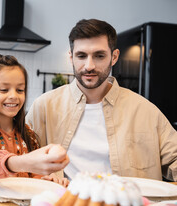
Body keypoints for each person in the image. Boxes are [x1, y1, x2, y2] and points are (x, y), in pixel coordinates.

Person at [26, 19, 177, 181]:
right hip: (62, 203)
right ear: (71, 57)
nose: (89, 65)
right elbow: (18, 158)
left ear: (114, 57)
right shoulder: (44, 106)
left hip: (127, 204)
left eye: (99, 56)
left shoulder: (145, 110)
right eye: (81, 56)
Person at [0, 54, 69, 186]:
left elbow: (35, 176)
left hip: (18, 205)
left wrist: (49, 181)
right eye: (4, 90)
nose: (14, 96)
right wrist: (19, 163)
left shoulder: (28, 134)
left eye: (20, 90)